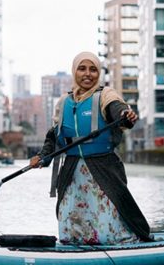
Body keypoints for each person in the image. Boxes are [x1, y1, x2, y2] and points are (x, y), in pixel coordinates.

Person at [29, 52, 151, 245]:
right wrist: (43, 157)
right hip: (72, 171)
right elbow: (53, 137)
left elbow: (118, 111)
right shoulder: (63, 103)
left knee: (107, 233)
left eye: (93, 69)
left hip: (103, 168)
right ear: (74, 72)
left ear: (99, 73)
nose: (88, 74)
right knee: (70, 231)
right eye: (82, 68)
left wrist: (127, 116)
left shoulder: (106, 95)